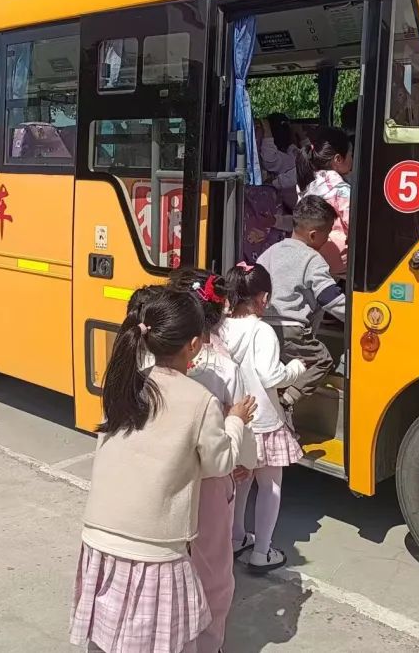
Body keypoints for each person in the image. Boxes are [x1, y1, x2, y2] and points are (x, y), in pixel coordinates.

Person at [70, 289, 257, 653]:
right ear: (194, 344)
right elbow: (220, 462)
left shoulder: (128, 381)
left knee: (108, 635)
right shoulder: (199, 399)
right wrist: (236, 421)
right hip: (154, 546)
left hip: (98, 534)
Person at [167, 269, 256, 653]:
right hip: (209, 478)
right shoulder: (222, 368)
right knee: (213, 571)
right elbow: (234, 426)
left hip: (165, 477)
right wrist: (245, 459)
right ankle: (207, 643)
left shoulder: (150, 359)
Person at [219, 262, 307, 573]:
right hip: (264, 419)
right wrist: (296, 368)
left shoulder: (220, 327)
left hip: (235, 418)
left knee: (240, 483)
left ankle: (235, 537)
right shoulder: (262, 330)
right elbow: (272, 377)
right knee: (270, 486)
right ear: (264, 298)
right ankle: (261, 551)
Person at [256, 196, 346, 407]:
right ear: (314, 235)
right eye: (329, 232)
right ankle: (288, 400)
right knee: (322, 360)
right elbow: (328, 297)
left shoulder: (269, 252)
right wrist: (357, 315)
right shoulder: (313, 259)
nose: (329, 238)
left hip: (264, 325)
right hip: (293, 330)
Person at [295, 126, 352, 276]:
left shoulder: (307, 183)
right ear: (338, 159)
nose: (352, 159)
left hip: (309, 258)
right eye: (351, 154)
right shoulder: (341, 190)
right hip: (338, 260)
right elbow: (356, 225)